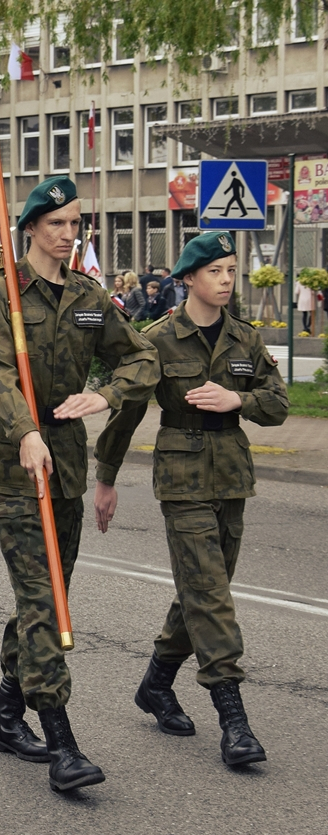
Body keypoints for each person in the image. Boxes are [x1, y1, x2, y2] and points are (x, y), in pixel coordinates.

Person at [0, 176, 158, 792]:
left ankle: (6, 718)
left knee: (44, 601)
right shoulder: (1, 291)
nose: (67, 234)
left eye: (75, 223)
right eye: (56, 223)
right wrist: (26, 430)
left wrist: (105, 395)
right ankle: (61, 743)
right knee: (42, 602)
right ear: (30, 227)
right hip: (16, 465)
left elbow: (143, 359)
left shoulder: (88, 295)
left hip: (67, 464)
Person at [95, 232, 289, 767]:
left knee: (204, 588)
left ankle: (156, 684)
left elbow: (277, 404)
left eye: (231, 270)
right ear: (188, 279)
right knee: (209, 592)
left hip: (232, 475)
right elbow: (128, 412)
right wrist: (106, 477)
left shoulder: (245, 338)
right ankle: (234, 720)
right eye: (215, 271)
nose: (226, 280)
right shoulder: (158, 339)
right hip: (181, 477)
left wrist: (237, 399)